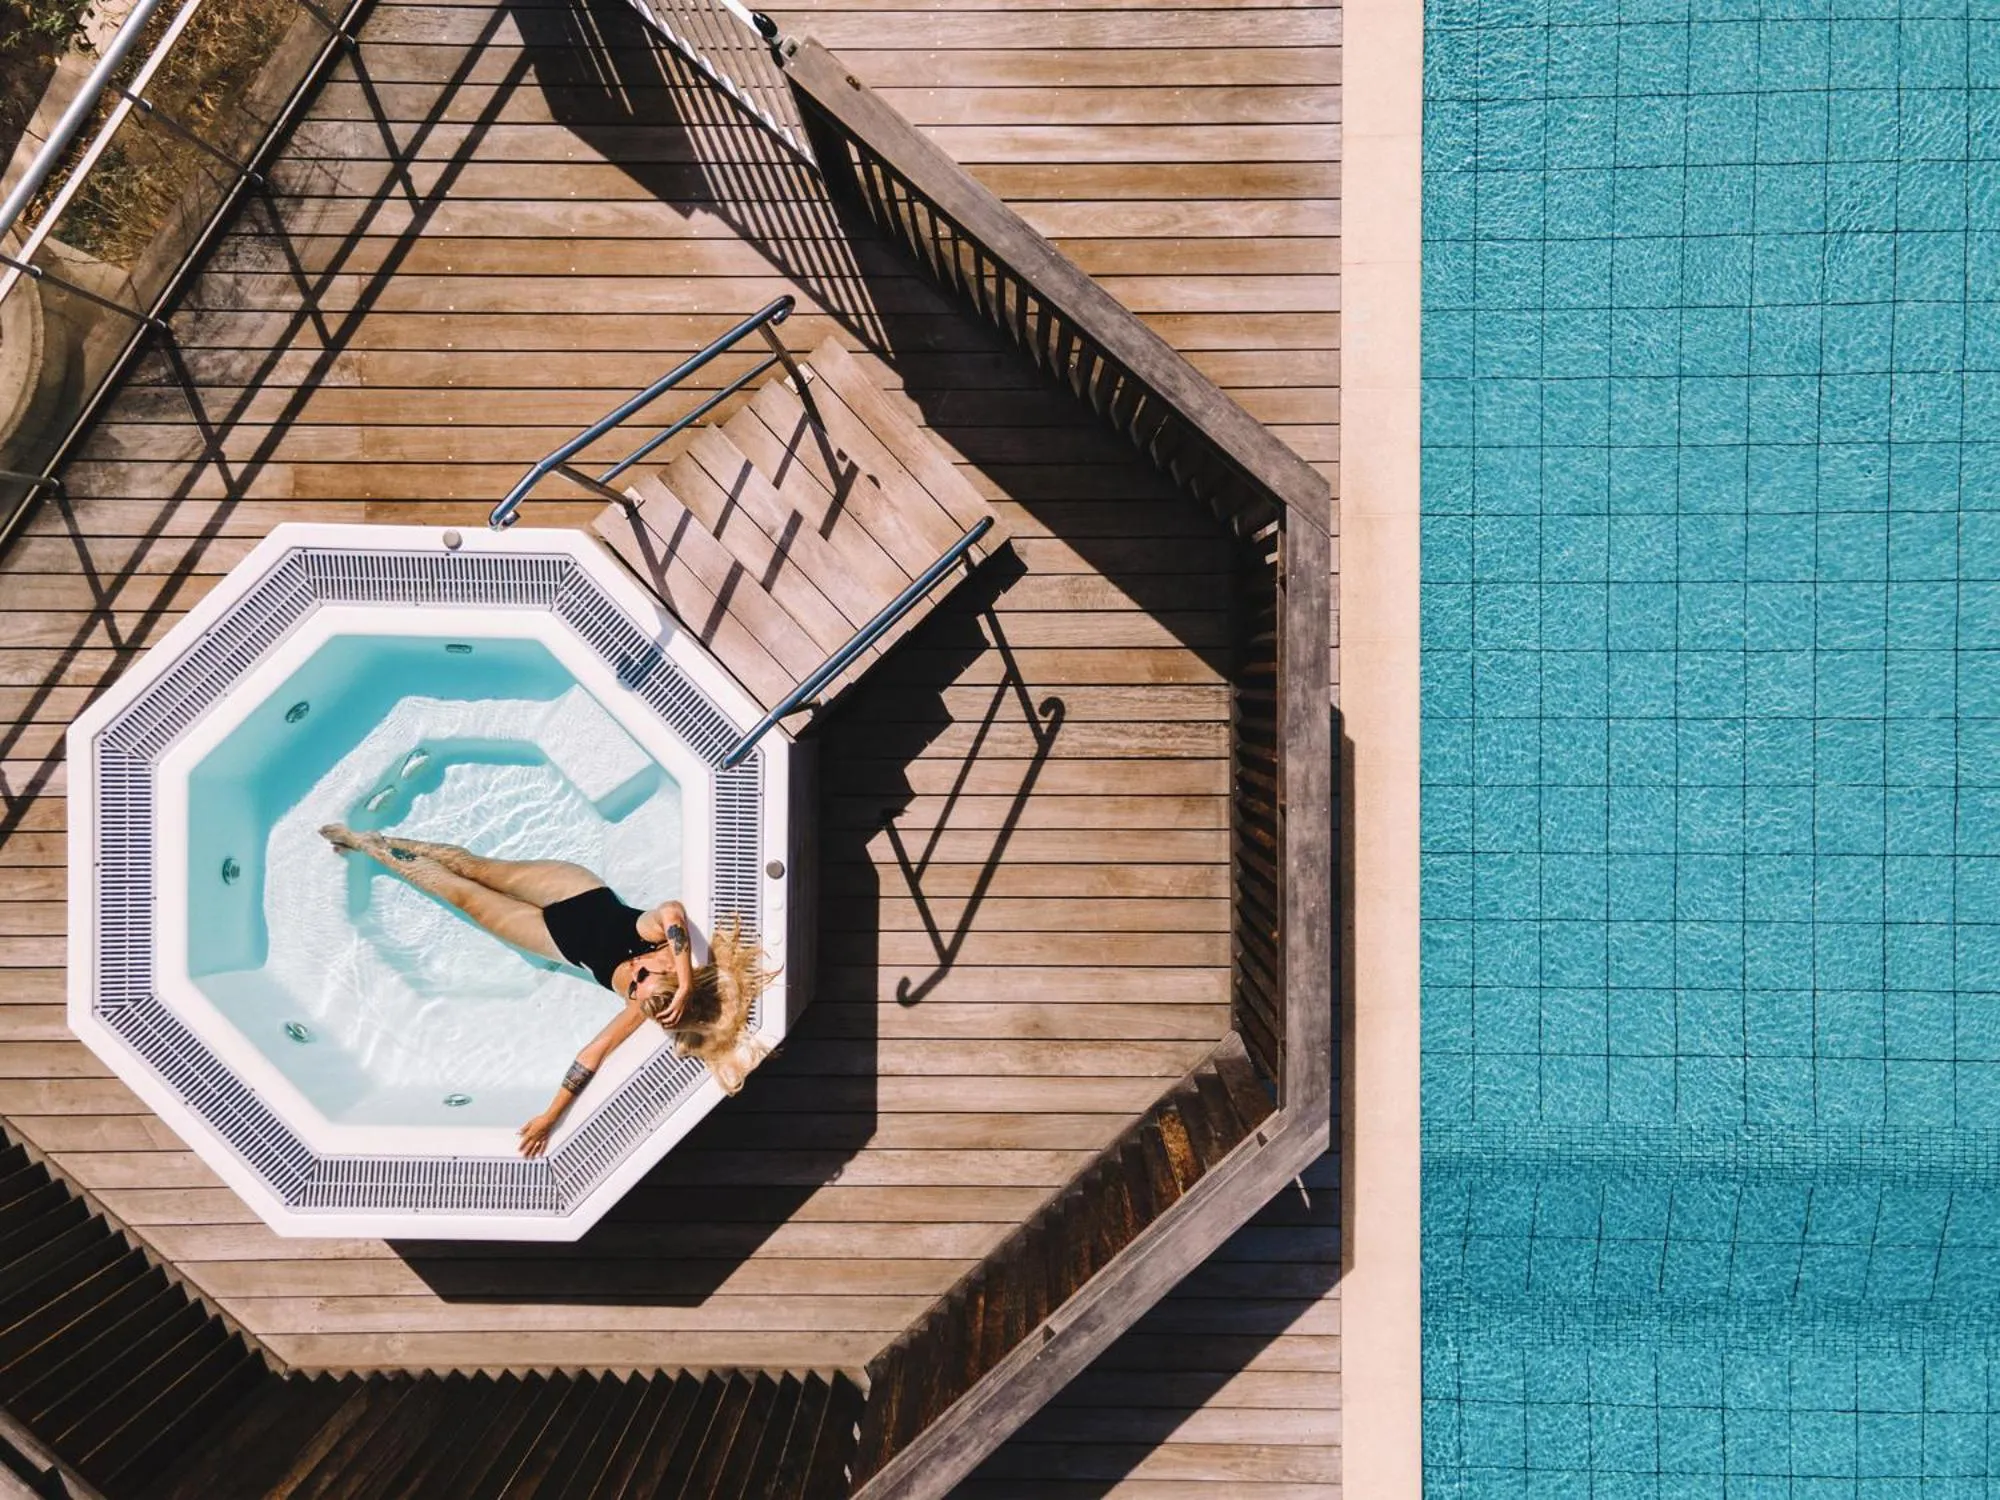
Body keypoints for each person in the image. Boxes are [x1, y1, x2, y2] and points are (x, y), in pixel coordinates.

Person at [319, 825, 773, 1156]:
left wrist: (550, 1117)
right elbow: (673, 910)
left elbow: (590, 1056)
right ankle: (391, 841)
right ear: (666, 969)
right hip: (573, 892)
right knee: (477, 868)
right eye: (645, 971)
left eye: (635, 985)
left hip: (552, 938)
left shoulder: (643, 1003)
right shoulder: (657, 941)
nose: (634, 973)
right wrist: (685, 976)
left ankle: (369, 848)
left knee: (462, 895)